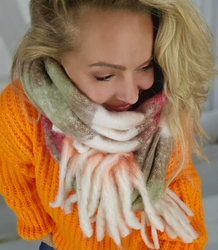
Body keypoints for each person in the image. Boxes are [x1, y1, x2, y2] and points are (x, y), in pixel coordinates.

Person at [0, 0, 216, 249]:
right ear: (55, 58)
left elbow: (179, 185)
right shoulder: (21, 110)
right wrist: (40, 228)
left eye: (145, 66)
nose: (132, 96)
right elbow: (16, 176)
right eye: (105, 75)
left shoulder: (162, 109)